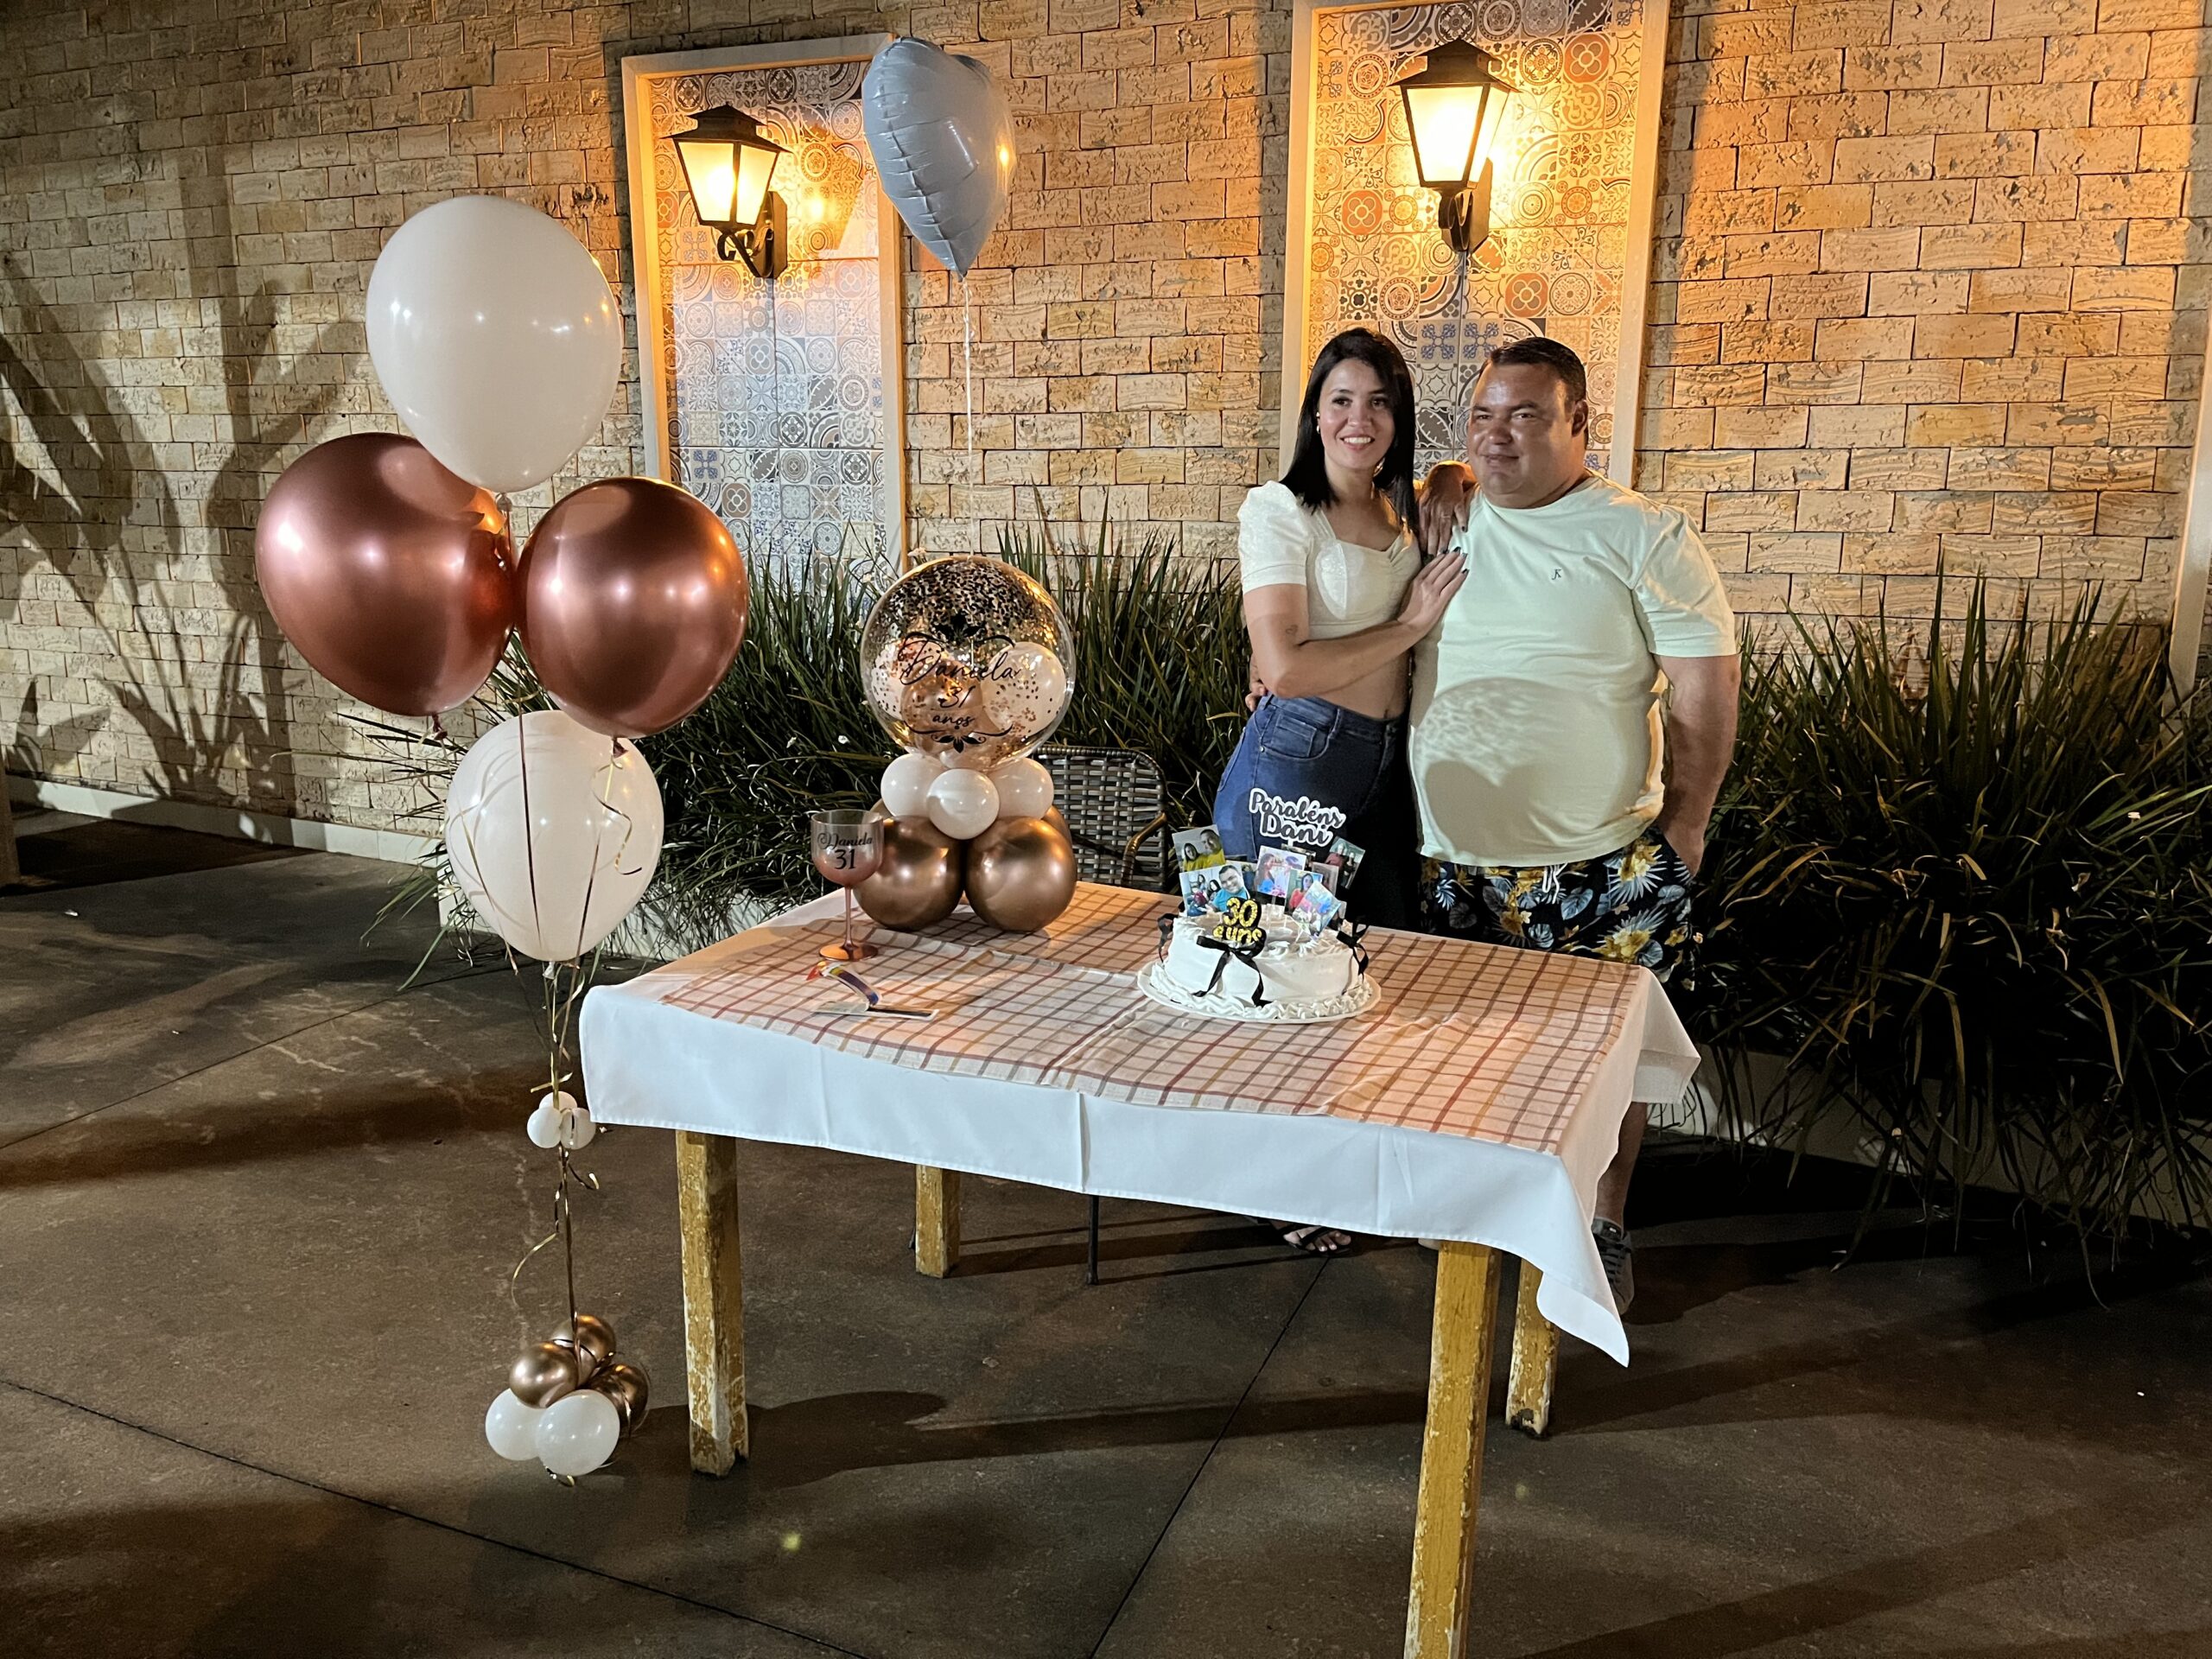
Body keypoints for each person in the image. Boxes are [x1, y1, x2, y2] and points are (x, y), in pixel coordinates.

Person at [1414, 336, 1740, 1313]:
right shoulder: (1442, 515)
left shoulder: (1645, 534)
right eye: (1482, 417)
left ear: (1579, 424)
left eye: (1526, 415)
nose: (1498, 436)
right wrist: (1443, 473)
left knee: (1605, 1069)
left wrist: (1687, 824)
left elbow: (1705, 686)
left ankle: (1602, 1219)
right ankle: (1480, 1207)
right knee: (1456, 1052)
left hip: (1602, 861)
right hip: (1450, 858)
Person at [1213, 326, 1466, 1254]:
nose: (1360, 419)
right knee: (1286, 972)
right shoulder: (1281, 510)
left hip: (1384, 764)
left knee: (1377, 966)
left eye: (1380, 402)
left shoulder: (1402, 508)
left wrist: (1451, 475)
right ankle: (1284, 1185)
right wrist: (1410, 626)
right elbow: (1283, 667)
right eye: (1341, 401)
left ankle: (1365, 1169)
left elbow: (1459, 487)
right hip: (1300, 764)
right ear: (1314, 414)